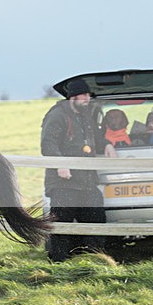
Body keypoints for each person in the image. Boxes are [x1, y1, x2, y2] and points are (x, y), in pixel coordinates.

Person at [41, 78, 115, 261]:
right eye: (84, 95)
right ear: (72, 97)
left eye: (88, 95)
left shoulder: (85, 116)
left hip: (87, 181)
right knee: (61, 225)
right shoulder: (57, 115)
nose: (87, 99)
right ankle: (58, 264)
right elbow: (48, 144)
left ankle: (93, 258)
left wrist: (106, 144)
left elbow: (96, 136)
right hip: (63, 182)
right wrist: (60, 163)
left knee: (96, 219)